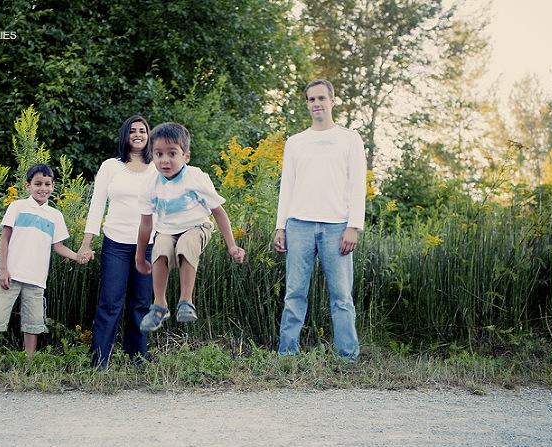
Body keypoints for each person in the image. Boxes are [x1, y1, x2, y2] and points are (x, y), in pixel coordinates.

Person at [272, 79, 367, 361]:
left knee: (341, 296)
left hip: (337, 226)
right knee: (294, 295)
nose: (317, 104)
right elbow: (286, 185)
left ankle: (347, 356)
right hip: (298, 224)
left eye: (321, 98)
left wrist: (353, 225)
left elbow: (357, 185)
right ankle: (287, 355)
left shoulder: (349, 139)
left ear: (333, 101)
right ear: (307, 104)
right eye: (311, 99)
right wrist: (281, 226)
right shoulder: (296, 142)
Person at [0, 164, 85, 374]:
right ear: (28, 185)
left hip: (36, 278)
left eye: (48, 184)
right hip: (10, 275)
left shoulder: (54, 215)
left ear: (53, 186)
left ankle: (28, 363)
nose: (43, 188)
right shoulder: (17, 206)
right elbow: (4, 239)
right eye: (38, 184)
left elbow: (57, 246)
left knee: (33, 323)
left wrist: (77, 257)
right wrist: (3, 269)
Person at [135, 122, 245, 332]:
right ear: (152, 156)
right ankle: (159, 306)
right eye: (158, 154)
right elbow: (145, 225)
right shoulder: (150, 183)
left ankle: (186, 301)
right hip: (167, 230)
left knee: (185, 245)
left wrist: (232, 246)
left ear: (186, 156)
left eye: (172, 153)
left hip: (197, 226)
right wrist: (140, 257)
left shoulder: (196, 177)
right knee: (160, 250)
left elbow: (219, 213)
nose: (165, 160)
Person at [76, 115, 157, 368]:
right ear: (125, 135)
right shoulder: (110, 166)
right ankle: (100, 362)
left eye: (142, 131)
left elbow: (167, 205)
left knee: (141, 304)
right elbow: (97, 205)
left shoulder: (157, 166)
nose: (138, 135)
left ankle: (137, 360)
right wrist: (86, 243)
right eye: (132, 131)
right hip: (115, 245)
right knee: (111, 302)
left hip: (148, 246)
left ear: (149, 136)